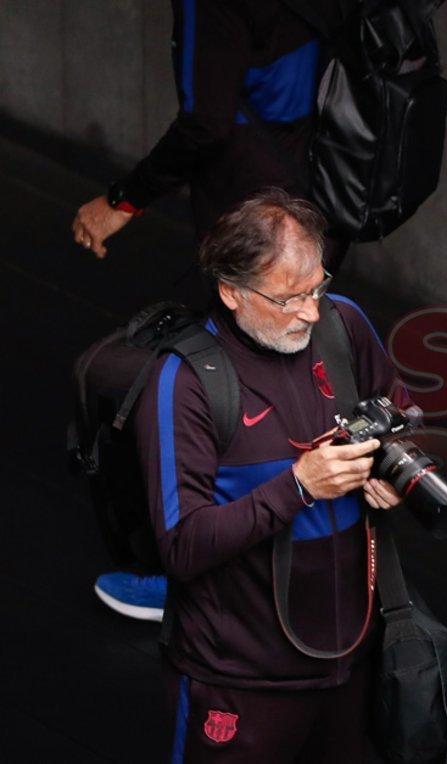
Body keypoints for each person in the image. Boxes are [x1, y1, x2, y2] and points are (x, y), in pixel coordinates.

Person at [76, 0, 353, 620]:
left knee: (226, 391)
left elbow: (206, 120)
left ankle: (203, 582)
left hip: (256, 213)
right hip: (328, 187)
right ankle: (300, 567)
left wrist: (122, 202)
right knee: (300, 379)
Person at [135, 190, 403, 760]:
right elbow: (181, 547)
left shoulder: (342, 325)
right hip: (240, 680)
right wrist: (299, 485)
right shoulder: (185, 383)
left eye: (317, 286)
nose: (310, 310)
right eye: (289, 298)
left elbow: (403, 413)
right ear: (232, 292)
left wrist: (391, 469)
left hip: (349, 658)